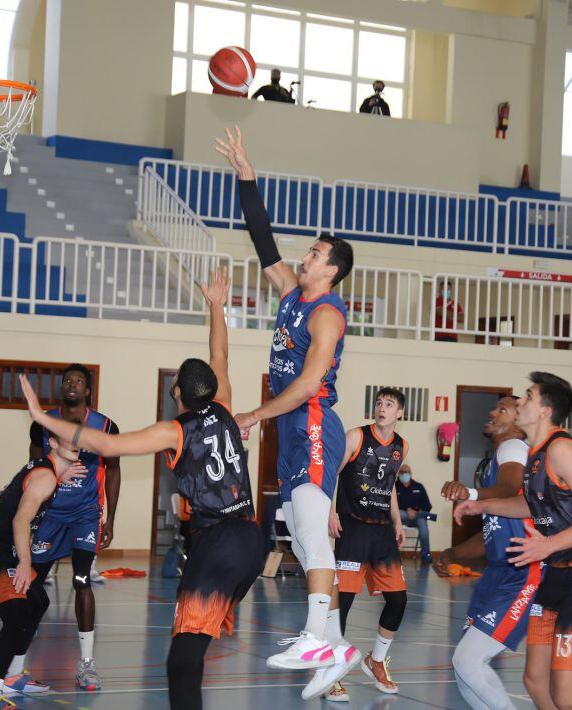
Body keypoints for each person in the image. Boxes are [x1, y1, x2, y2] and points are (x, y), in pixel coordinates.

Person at [19, 268, 265, 710]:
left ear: (180, 395)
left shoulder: (176, 429)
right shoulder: (225, 406)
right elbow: (221, 354)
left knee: (182, 660)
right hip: (252, 540)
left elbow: (105, 443)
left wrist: (44, 418)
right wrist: (215, 306)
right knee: (196, 646)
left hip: (217, 542)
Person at [216, 126, 355, 672]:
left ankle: (317, 638)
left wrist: (253, 414)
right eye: (310, 250)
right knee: (298, 536)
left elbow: (306, 386)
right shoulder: (291, 293)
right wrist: (247, 177)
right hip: (293, 428)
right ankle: (337, 644)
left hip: (315, 422)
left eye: (316, 253)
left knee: (316, 539)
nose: (306, 256)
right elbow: (262, 241)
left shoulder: (326, 314)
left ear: (332, 270)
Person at [455, 372, 572, 710]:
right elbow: (531, 504)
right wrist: (483, 505)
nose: (520, 402)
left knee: (569, 695)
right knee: (535, 680)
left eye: (528, 396)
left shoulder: (561, 449)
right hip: (557, 572)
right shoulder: (535, 456)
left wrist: (549, 544)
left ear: (545, 410)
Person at [0, 436, 85, 710]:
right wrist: (24, 560)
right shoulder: (45, 476)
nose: (76, 442)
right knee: (16, 617)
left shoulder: (47, 470)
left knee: (38, 602)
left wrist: (62, 470)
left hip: (2, 545)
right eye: (68, 439)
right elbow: (21, 519)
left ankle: (12, 677)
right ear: (53, 443)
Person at [27, 365, 121, 691]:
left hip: (85, 514)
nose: (72, 384)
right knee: (31, 584)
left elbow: (113, 471)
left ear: (88, 392)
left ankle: (86, 664)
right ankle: (14, 665)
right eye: (68, 380)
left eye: (79, 381)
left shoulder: (106, 426)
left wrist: (110, 518)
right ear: (61, 387)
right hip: (51, 515)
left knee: (82, 581)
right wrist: (32, 508)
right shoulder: (43, 422)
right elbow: (35, 467)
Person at [317, 388, 409, 702]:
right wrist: (329, 510)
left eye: (389, 404)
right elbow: (332, 471)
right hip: (353, 528)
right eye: (379, 403)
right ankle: (330, 672)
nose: (382, 408)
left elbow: (391, 484)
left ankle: (376, 660)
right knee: (343, 603)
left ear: (399, 413)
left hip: (382, 532)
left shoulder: (401, 446)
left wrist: (397, 521)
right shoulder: (356, 437)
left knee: (398, 601)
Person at [442, 395, 534, 710]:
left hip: (521, 573)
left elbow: (509, 489)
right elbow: (492, 534)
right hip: (497, 573)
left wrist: (470, 494)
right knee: (463, 665)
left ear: (519, 423)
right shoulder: (497, 457)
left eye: (503, 409)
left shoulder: (513, 447)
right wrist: (453, 555)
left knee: (468, 662)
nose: (493, 412)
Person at [396, 465, 433, 562]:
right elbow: (391, 505)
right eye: (402, 472)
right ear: (398, 474)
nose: (404, 474)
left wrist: (418, 511)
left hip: (416, 517)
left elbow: (428, 505)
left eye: (407, 471)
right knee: (397, 514)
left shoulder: (418, 486)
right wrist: (407, 509)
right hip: (401, 517)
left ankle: (426, 554)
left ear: (410, 473)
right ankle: (392, 554)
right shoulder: (394, 487)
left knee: (423, 523)